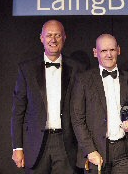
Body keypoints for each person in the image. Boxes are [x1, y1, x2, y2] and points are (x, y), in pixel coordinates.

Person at [11, 20, 84, 174]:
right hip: (36, 145)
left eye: (57, 35)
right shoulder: (26, 69)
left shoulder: (77, 69)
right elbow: (18, 111)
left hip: (67, 145)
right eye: (49, 35)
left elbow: (84, 110)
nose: (53, 40)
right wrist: (17, 147)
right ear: (41, 38)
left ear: (64, 38)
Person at [70, 34, 128, 174]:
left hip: (125, 151)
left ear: (118, 50)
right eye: (103, 51)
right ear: (95, 52)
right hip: (96, 152)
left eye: (112, 50)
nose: (109, 55)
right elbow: (77, 119)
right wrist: (90, 150)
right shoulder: (83, 80)